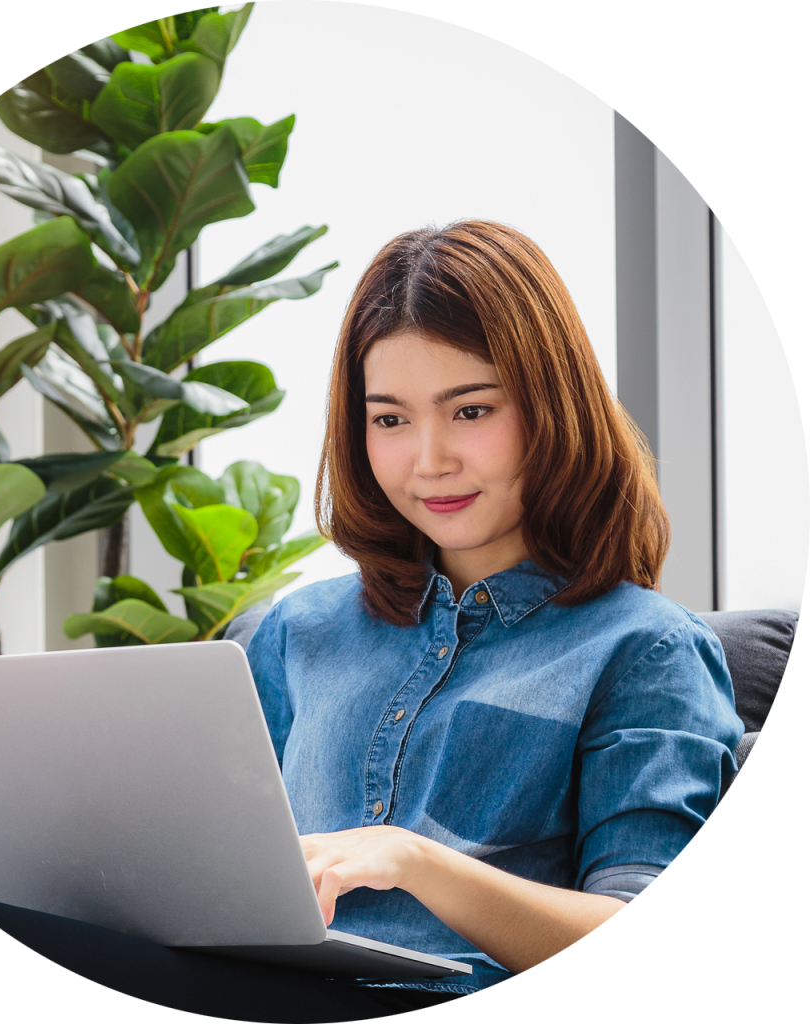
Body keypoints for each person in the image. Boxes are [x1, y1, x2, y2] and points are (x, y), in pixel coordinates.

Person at [239, 220, 745, 1009]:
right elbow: (216, 872)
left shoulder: (645, 651)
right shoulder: (293, 632)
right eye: (390, 419)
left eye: (470, 411)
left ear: (552, 406)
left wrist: (415, 860)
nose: (430, 459)